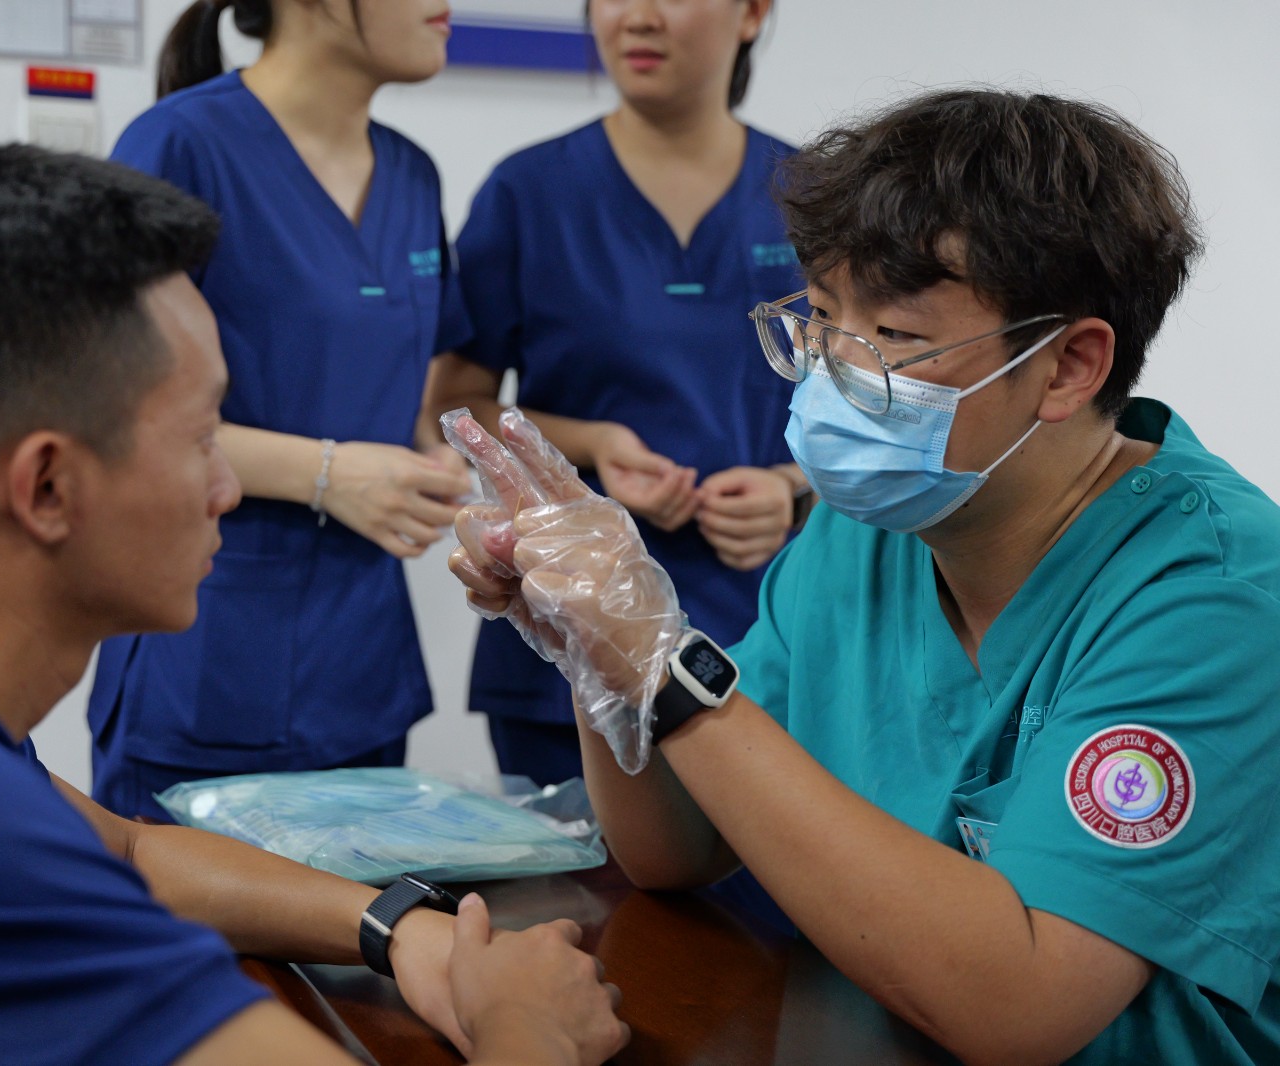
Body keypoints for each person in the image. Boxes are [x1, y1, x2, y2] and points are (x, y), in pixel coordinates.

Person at [0, 143, 628, 1065]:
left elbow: (130, 855)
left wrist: (402, 930)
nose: (227, 487)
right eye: (201, 436)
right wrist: (530, 1025)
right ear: (46, 486)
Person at [446, 88, 1280, 1063]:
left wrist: (667, 674)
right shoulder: (871, 528)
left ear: (1066, 367)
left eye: (895, 338)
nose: (833, 377)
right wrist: (598, 637)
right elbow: (675, 849)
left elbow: (1020, 1006)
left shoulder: (1211, 595)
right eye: (823, 319)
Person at [86, 0, 474, 819]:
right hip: (208, 657)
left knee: (361, 905)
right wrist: (328, 474)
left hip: (363, 667)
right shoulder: (180, 145)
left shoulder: (412, 174)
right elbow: (108, 412)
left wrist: (431, 464)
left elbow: (385, 384)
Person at [425, 0, 807, 788]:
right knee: (573, 865)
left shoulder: (813, 197)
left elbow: (891, 398)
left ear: (752, 13)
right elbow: (452, 405)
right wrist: (592, 445)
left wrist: (793, 491)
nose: (636, 17)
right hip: (568, 631)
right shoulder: (528, 192)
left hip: (774, 622)